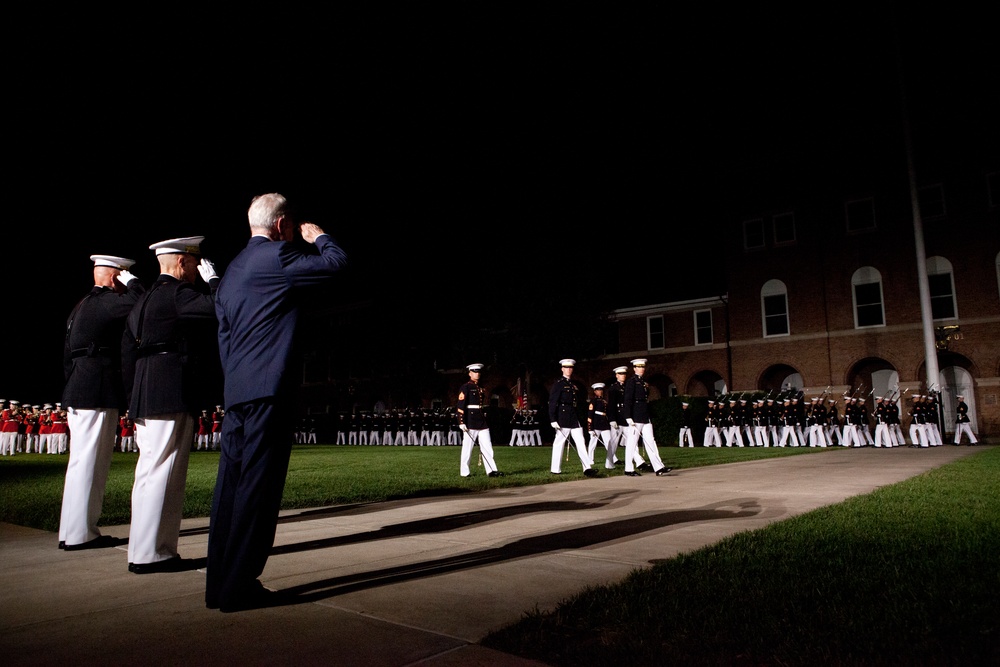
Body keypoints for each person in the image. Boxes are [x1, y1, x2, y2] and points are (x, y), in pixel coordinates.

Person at [206, 192, 347, 613]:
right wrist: (320, 236)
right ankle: (240, 586)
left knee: (229, 489)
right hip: (269, 392)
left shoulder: (231, 271)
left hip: (238, 394)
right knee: (258, 491)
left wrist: (235, 385)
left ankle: (218, 585)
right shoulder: (279, 257)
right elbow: (336, 264)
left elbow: (225, 335)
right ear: (282, 224)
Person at [122, 236, 222, 574]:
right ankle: (156, 553)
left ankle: (142, 550)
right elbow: (220, 308)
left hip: (145, 387)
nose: (196, 270)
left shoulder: (145, 298)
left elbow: (128, 351)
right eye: (195, 264)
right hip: (169, 387)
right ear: (182, 263)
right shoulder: (177, 293)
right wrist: (215, 282)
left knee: (149, 472)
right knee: (166, 472)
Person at [58, 254, 144, 551]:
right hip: (96, 390)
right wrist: (131, 281)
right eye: (120, 277)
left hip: (78, 387)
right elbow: (141, 302)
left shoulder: (80, 306)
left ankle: (71, 531)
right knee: (92, 464)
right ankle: (83, 534)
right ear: (113, 278)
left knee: (80, 463)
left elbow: (68, 357)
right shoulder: (106, 302)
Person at [621, 359, 671, 476]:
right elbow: (627, 400)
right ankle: (629, 468)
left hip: (644, 414)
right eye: (639, 366)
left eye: (643, 367)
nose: (641, 368)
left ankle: (658, 467)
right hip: (636, 414)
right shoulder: (632, 382)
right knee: (632, 443)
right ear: (634, 368)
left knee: (650, 441)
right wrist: (628, 416)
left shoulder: (643, 382)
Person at [548, 359, 597, 476]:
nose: (569, 370)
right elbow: (553, 402)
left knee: (580, 441)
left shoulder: (573, 385)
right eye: (566, 367)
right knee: (559, 443)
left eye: (571, 368)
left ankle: (587, 468)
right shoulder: (558, 384)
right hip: (563, 416)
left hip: (574, 417)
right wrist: (553, 419)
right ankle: (555, 469)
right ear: (562, 369)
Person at [456, 363, 503, 477]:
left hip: (481, 420)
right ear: (470, 373)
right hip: (470, 420)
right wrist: (461, 422)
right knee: (468, 449)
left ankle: (491, 470)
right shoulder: (466, 387)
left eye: (478, 372)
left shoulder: (480, 387)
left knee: (487, 446)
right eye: (475, 372)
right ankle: (465, 472)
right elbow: (461, 405)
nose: (477, 374)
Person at [586, 383, 615, 469]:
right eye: (598, 390)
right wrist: (590, 428)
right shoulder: (593, 401)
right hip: (596, 423)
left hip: (604, 423)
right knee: (593, 443)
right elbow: (590, 414)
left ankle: (612, 459)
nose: (600, 392)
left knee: (609, 442)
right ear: (595, 391)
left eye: (601, 390)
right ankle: (590, 459)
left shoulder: (604, 401)